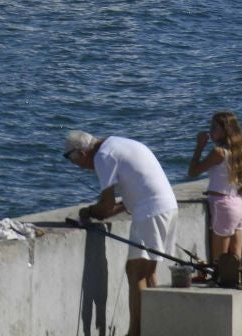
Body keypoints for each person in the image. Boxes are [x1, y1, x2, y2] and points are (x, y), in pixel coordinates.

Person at [66, 130, 179, 336]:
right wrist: (103, 210)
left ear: (82, 153)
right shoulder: (118, 145)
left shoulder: (102, 156)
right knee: (148, 272)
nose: (83, 169)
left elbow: (106, 205)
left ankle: (135, 332)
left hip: (150, 212)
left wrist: (89, 211)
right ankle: (153, 328)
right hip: (168, 206)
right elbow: (126, 201)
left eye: (78, 164)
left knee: (135, 271)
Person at [187, 110, 242, 262]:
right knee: (236, 260)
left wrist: (199, 146)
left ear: (225, 131)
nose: (210, 131)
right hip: (237, 205)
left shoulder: (219, 153)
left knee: (219, 262)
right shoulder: (239, 153)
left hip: (222, 207)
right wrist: (231, 198)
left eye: (214, 128)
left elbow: (193, 172)